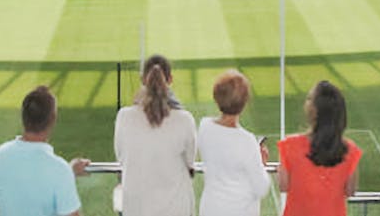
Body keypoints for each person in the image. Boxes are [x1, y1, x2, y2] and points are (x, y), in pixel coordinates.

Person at [114, 54, 196, 216]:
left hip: (136, 209)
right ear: (170, 79)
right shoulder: (185, 119)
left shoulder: (124, 116)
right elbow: (190, 163)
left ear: (142, 79)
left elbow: (121, 157)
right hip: (176, 209)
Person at [0, 86, 90, 216]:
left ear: (23, 115)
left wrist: (68, 172)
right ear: (53, 119)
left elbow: (27, 183)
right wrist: (67, 173)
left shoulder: (1, 154)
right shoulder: (59, 170)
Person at [277, 80, 362, 216]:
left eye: (309, 98)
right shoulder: (350, 150)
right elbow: (350, 191)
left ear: (314, 110)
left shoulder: (289, 145)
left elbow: (283, 185)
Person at [198, 69, 270, 216]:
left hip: (210, 210)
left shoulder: (204, 127)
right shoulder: (247, 141)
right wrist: (262, 164)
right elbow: (261, 188)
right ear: (245, 102)